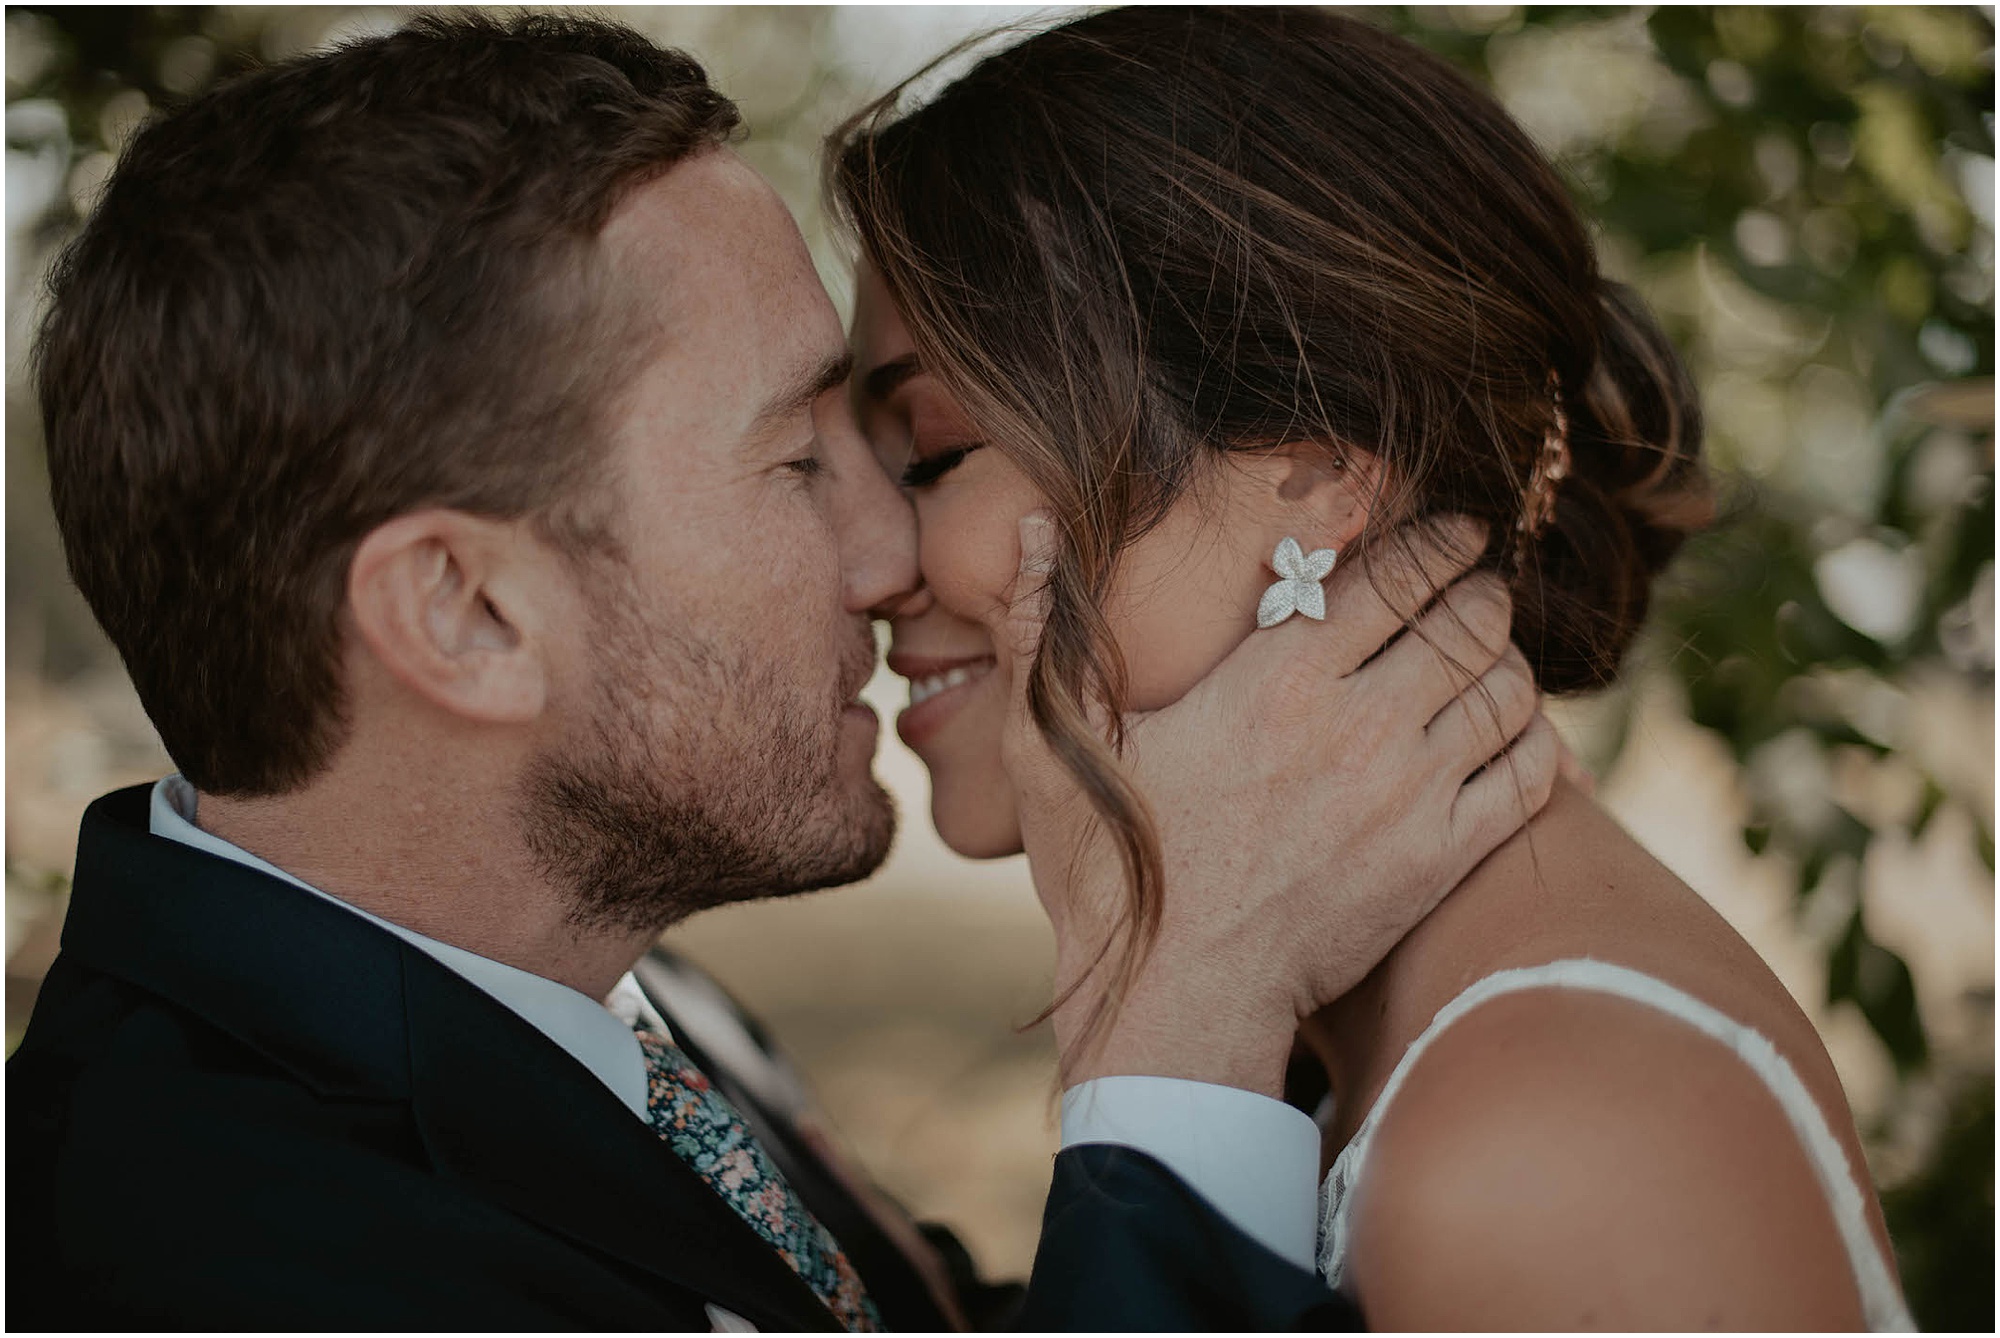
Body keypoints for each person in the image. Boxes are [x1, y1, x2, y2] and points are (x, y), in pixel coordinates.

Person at [6, 13, 1557, 1331]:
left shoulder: (613, 989)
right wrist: (1184, 1030)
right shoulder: (201, 1260)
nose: (895, 554)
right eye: (799, 460)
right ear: (467, 612)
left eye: (906, 447)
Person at [835, 6, 1917, 1330]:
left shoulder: (1546, 1148)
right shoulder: (1384, 1042)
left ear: (1314, 471)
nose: (865, 557)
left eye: (931, 452)